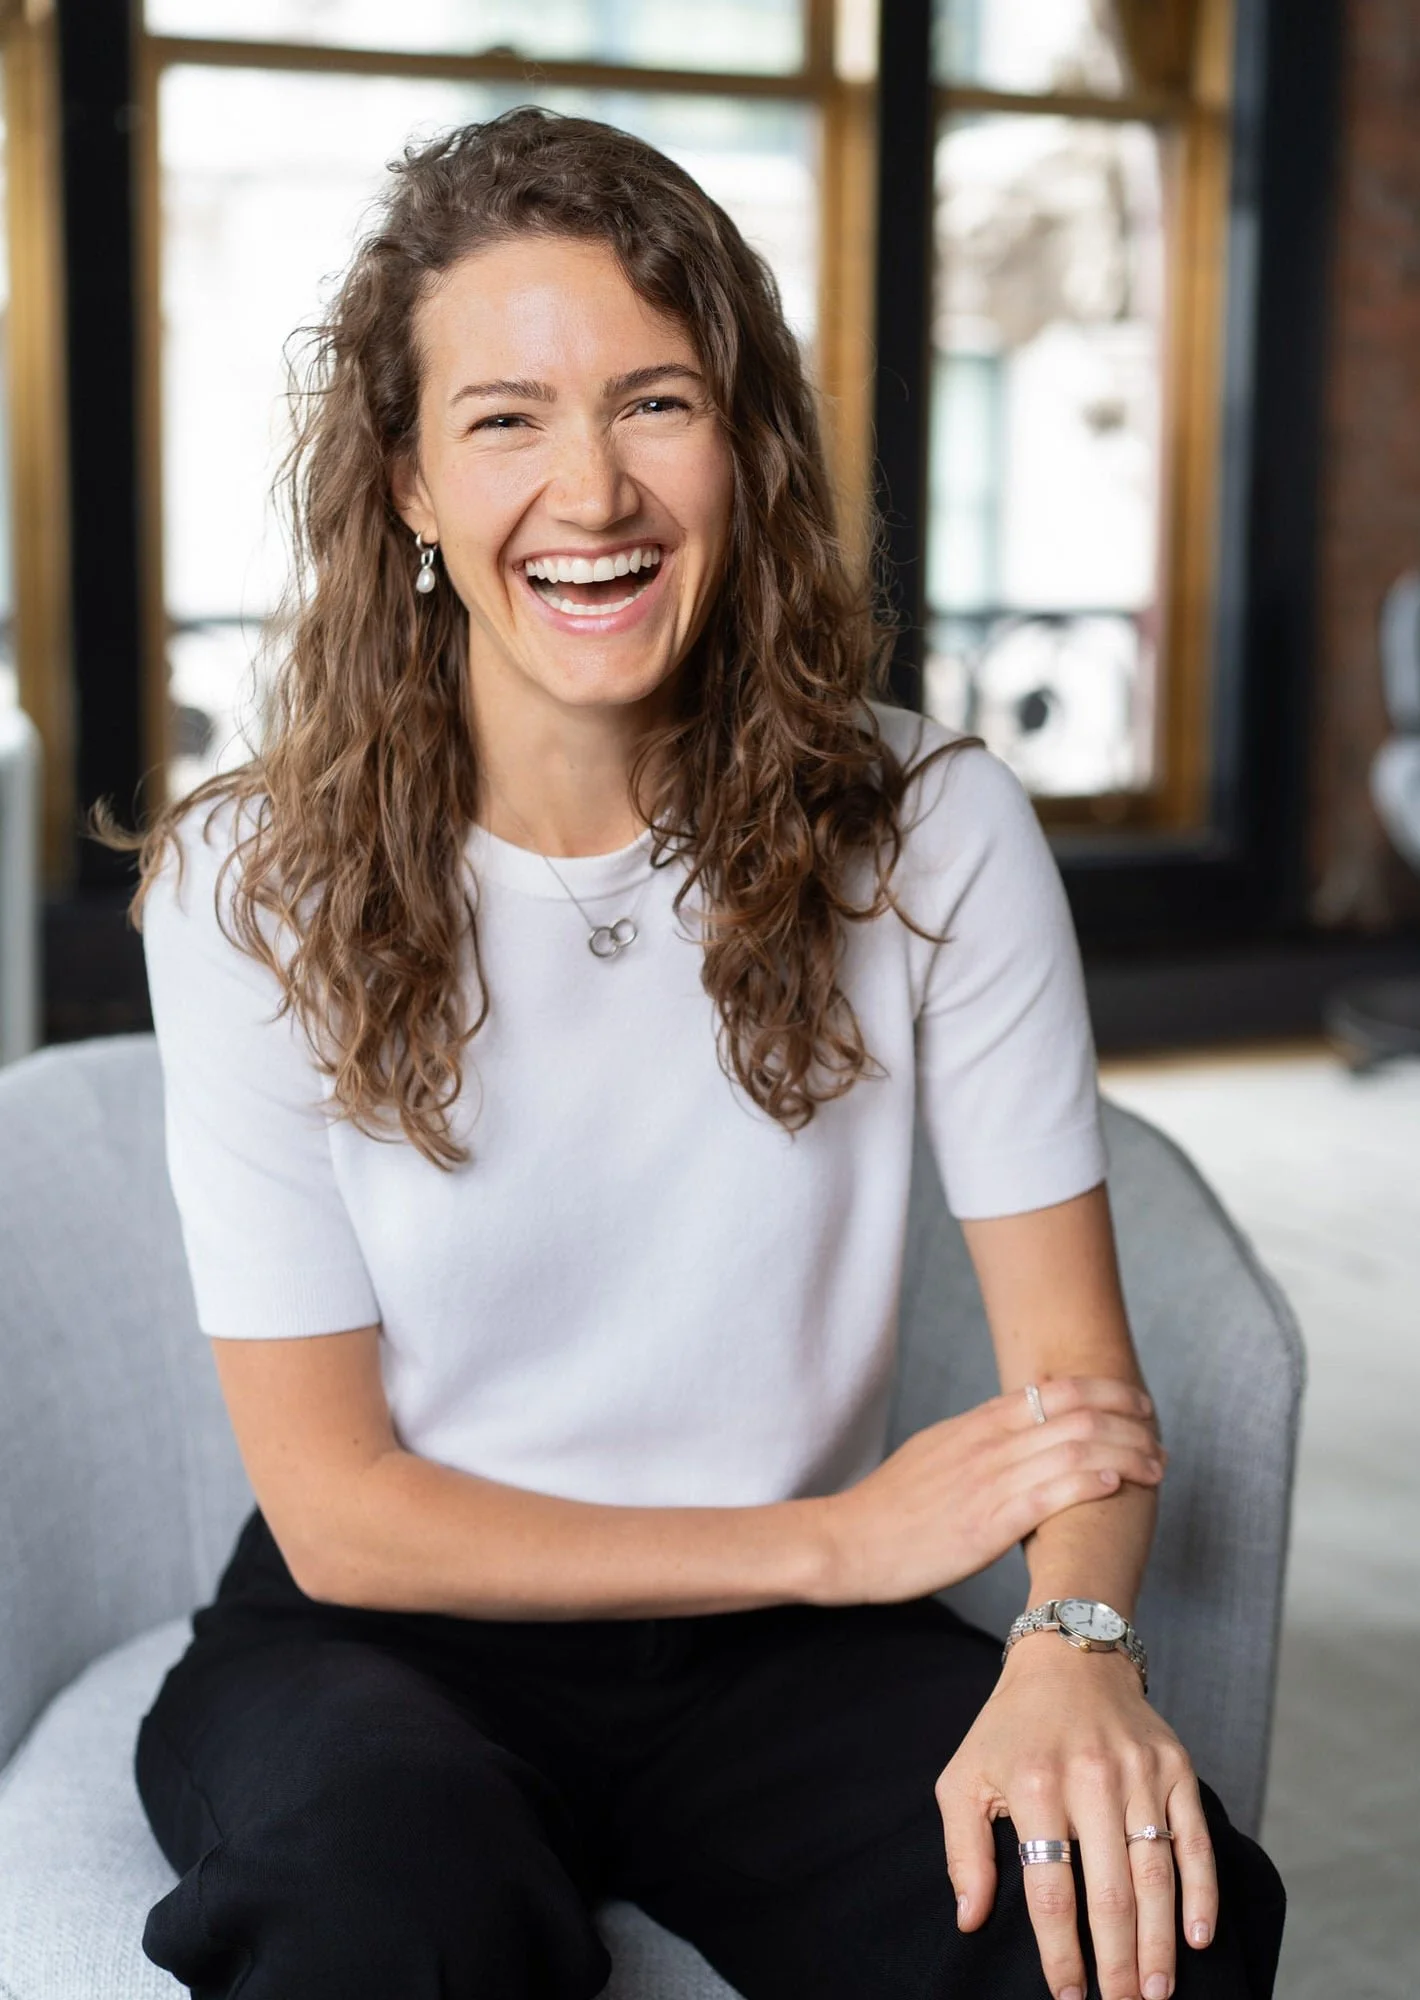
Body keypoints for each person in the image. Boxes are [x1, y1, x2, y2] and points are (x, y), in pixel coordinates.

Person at [122, 108, 1285, 2000]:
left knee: (1145, 1925)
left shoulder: (932, 828)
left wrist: (1070, 1642)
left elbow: (1075, 1386)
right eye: (506, 418)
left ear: (743, 446)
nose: (591, 492)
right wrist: (837, 1541)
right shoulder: (251, 883)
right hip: (393, 1636)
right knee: (380, 1910)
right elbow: (339, 1514)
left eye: (655, 403)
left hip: (780, 1667)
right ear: (409, 482)